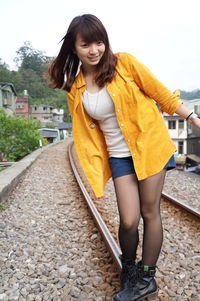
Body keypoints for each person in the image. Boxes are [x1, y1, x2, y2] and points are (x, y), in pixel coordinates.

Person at [48, 14, 200, 301]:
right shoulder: (76, 89)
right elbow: (84, 137)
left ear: (105, 42)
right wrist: (95, 177)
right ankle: (129, 271)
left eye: (99, 42)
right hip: (120, 157)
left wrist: (192, 117)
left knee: (148, 212)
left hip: (149, 147)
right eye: (86, 44)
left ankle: (147, 277)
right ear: (74, 48)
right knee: (128, 221)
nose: (94, 50)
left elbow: (162, 95)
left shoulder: (125, 64)